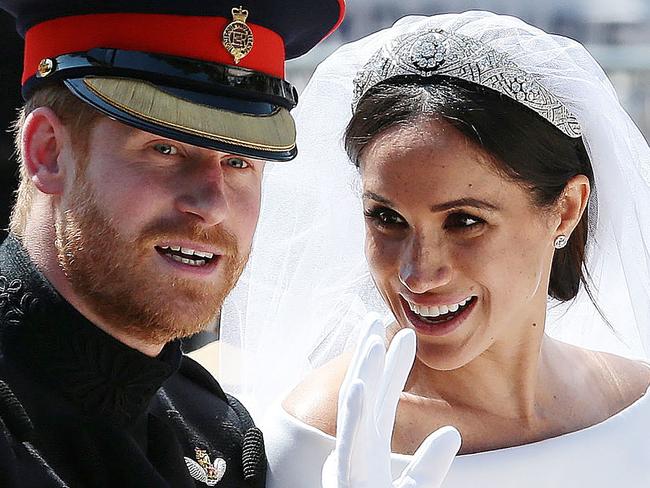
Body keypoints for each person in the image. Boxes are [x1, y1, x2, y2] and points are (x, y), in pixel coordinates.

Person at [219, 11, 650, 486]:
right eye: (387, 218)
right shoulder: (318, 442)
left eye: (465, 222)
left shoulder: (638, 408)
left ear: (566, 210)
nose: (418, 274)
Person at [0, 0, 346, 486]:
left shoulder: (221, 435)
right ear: (48, 153)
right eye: (165, 148)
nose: (213, 204)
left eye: (240, 161)